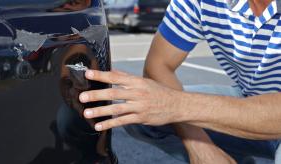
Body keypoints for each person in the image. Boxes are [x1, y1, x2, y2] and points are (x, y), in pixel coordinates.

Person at [79, 0, 281, 163]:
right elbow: (158, 65)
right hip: (250, 98)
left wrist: (175, 105)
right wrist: (201, 146)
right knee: (138, 110)